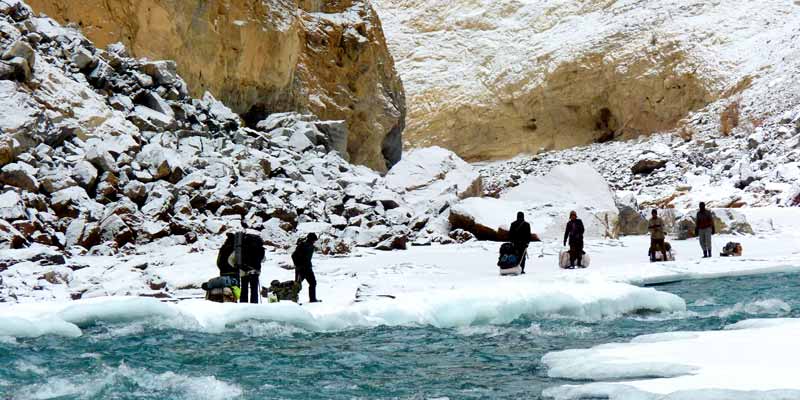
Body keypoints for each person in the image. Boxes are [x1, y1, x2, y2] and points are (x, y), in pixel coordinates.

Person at [292, 233, 320, 303]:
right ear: (310, 239)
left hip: (308, 268)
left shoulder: (311, 247)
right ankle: (294, 301)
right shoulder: (301, 245)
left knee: (313, 283)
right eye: (314, 240)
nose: (314, 241)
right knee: (297, 286)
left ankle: (313, 299)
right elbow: (293, 256)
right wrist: (297, 265)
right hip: (301, 269)